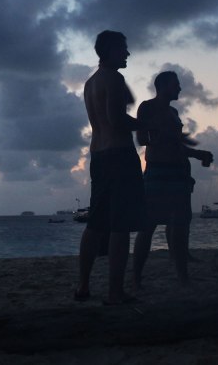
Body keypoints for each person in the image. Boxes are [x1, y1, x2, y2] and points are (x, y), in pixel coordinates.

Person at [75, 30, 146, 305]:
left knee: (96, 223)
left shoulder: (90, 82)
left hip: (99, 155)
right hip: (118, 155)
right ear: (111, 50)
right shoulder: (114, 78)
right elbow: (116, 120)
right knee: (120, 225)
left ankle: (83, 286)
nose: (127, 54)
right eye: (123, 49)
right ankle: (115, 292)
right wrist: (148, 125)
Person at [132, 71, 213, 288]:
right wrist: (164, 135)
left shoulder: (174, 111)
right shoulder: (147, 107)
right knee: (147, 226)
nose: (179, 89)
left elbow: (177, 146)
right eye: (176, 85)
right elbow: (142, 139)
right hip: (157, 173)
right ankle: (136, 277)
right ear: (164, 85)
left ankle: (183, 276)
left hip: (178, 174)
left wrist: (198, 154)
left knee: (180, 226)